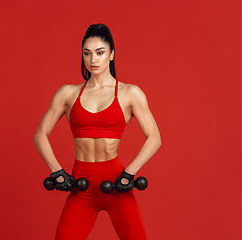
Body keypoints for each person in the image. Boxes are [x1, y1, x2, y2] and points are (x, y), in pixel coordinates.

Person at [34, 23, 161, 240]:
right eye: (87, 53)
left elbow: (154, 138)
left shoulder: (130, 93)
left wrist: (130, 172)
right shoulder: (67, 93)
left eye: (100, 53)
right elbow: (40, 135)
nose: (93, 59)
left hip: (115, 184)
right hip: (81, 188)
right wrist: (56, 170)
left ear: (111, 55)